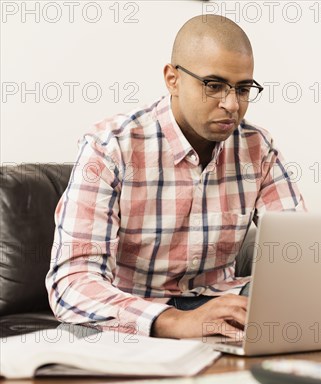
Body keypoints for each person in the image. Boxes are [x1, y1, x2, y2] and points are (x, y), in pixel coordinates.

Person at [46, 15, 306, 339]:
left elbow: (298, 252)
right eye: (214, 86)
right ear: (172, 79)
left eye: (242, 89)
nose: (231, 105)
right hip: (137, 314)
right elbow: (72, 281)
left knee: (302, 299)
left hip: (222, 305)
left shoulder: (258, 148)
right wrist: (175, 322)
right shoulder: (110, 147)